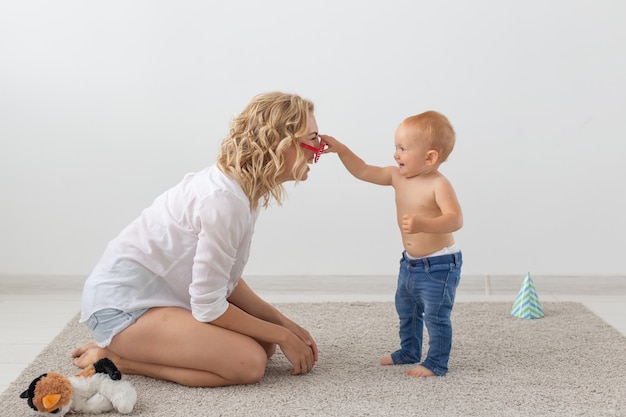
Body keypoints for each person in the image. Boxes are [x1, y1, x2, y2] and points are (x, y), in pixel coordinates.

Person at [72, 92, 323, 387]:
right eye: (313, 138)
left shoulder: (242, 191)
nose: (319, 149)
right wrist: (281, 334)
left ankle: (136, 348)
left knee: (263, 344)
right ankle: (117, 359)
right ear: (280, 145)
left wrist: (281, 323)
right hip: (122, 310)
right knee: (249, 363)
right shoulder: (224, 201)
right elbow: (208, 305)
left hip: (154, 299)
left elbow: (222, 279)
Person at [321, 110, 463, 377]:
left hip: (440, 264)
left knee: (436, 315)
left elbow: (455, 220)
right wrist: (341, 150)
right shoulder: (398, 177)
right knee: (406, 309)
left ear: (429, 157)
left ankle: (436, 362)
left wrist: (424, 224)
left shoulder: (438, 184)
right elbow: (363, 170)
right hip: (410, 263)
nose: (396, 154)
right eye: (396, 147)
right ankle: (409, 350)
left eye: (403, 148)